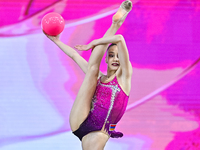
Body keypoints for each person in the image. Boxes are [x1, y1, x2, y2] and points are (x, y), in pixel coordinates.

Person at [44, 1, 133, 149]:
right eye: (111, 55)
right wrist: (56, 40)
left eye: (118, 56)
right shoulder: (98, 77)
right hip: (82, 118)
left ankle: (115, 24)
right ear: (106, 59)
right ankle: (114, 24)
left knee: (92, 70)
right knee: (92, 71)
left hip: (99, 131)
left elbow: (120, 39)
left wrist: (94, 43)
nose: (115, 59)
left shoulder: (124, 78)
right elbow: (74, 55)